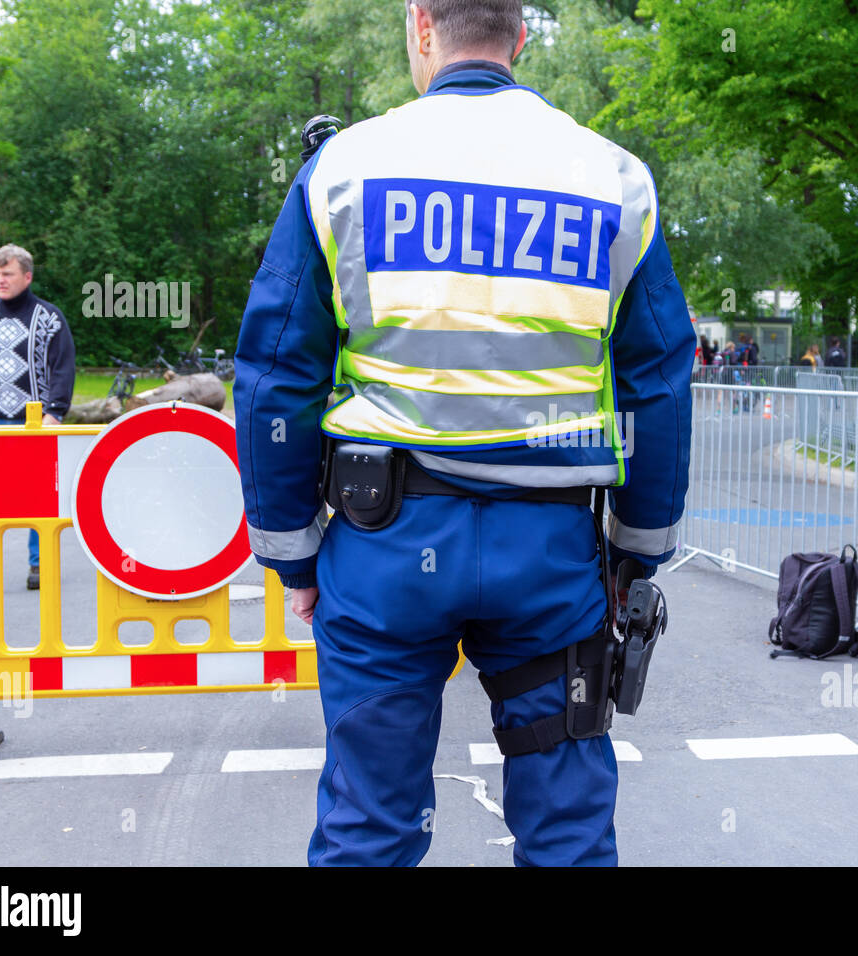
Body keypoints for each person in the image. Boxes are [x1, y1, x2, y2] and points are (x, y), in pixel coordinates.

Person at [234, 0, 693, 867]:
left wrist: (294, 554)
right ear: (521, 34)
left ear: (421, 25)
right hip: (551, 551)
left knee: (370, 825)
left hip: (385, 543)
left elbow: (274, 374)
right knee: (566, 831)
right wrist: (638, 553)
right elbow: (659, 381)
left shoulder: (344, 169)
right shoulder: (613, 179)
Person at [0, 244, 75, 597]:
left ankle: (40, 564)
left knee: (38, 497)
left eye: (8, 274)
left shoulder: (49, 317)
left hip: (35, 422)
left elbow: (63, 367)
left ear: (27, 276)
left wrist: (55, 412)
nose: (0, 280)